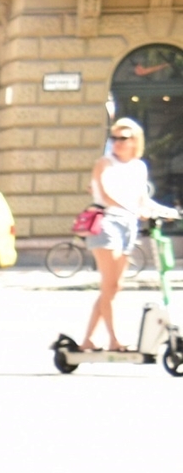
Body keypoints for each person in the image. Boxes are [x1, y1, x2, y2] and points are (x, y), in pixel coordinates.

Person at [83, 118, 175, 350]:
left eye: (123, 138)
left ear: (135, 141)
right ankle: (114, 340)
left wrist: (166, 211)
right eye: (114, 138)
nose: (118, 143)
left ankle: (88, 340)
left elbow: (143, 199)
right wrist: (135, 210)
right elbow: (105, 196)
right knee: (109, 284)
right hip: (106, 223)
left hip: (128, 226)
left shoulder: (138, 167)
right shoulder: (104, 163)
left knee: (114, 287)